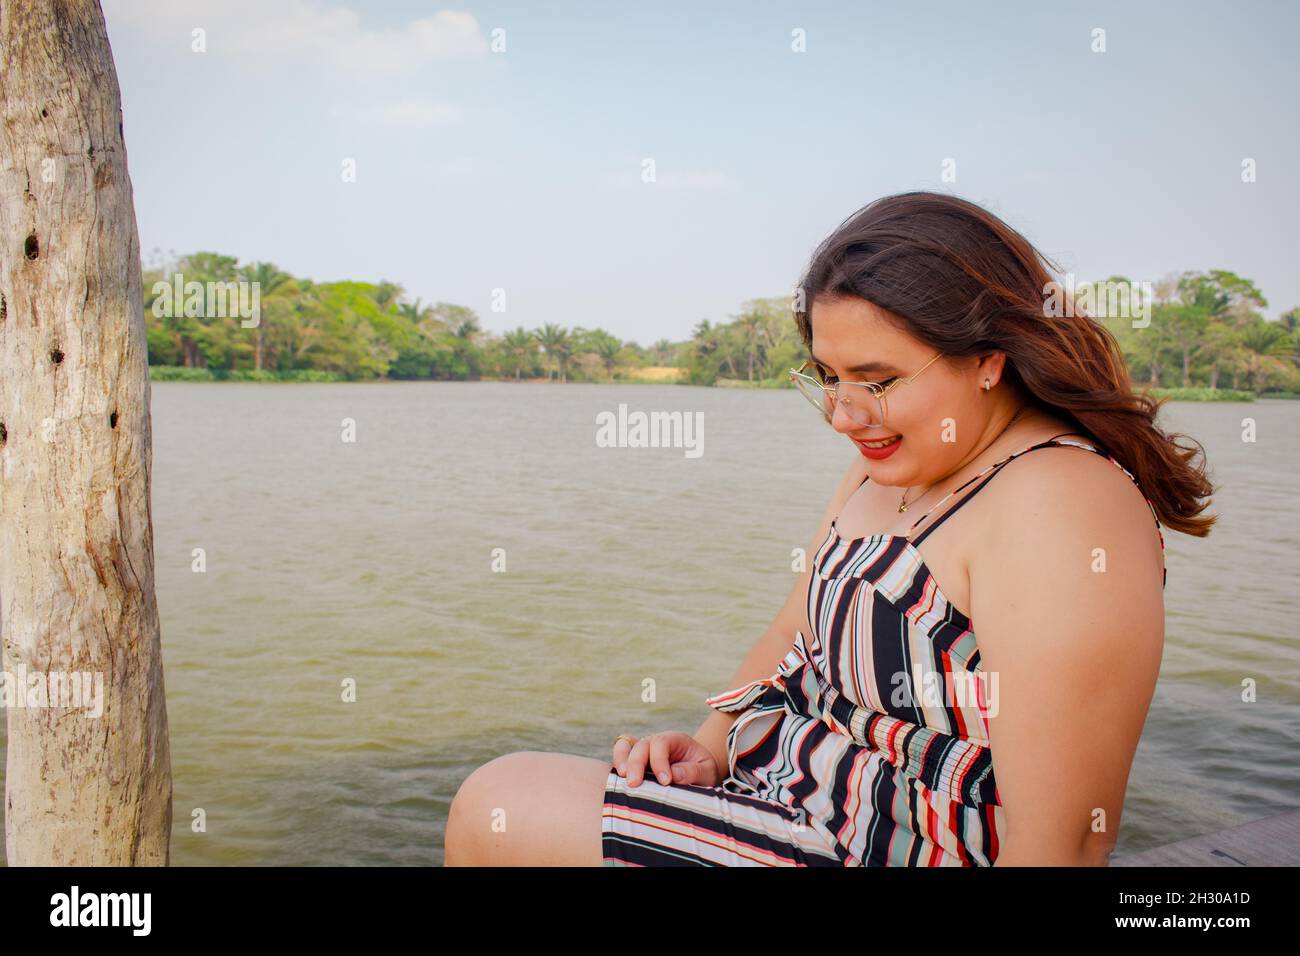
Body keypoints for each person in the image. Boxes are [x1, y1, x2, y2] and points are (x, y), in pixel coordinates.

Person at [443, 190, 1216, 866]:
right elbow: (793, 626)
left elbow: (1067, 842)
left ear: (989, 358)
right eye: (829, 377)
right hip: (779, 800)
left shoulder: (1059, 504)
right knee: (505, 798)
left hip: (882, 847)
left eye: (878, 381)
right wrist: (709, 747)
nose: (844, 415)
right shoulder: (893, 465)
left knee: (497, 808)